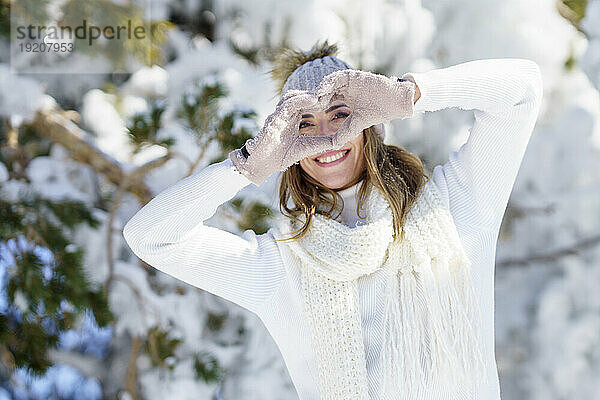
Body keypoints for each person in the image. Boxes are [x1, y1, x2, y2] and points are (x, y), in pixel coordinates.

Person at [123, 40, 543, 400]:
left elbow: (522, 89)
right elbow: (150, 237)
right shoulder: (278, 267)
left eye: (341, 114)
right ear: (286, 146)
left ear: (369, 123)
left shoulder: (455, 206)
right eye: (304, 125)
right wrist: (246, 167)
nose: (326, 136)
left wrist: (409, 94)